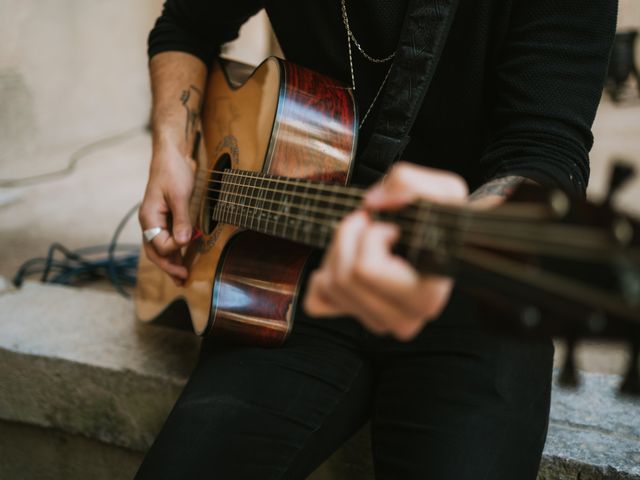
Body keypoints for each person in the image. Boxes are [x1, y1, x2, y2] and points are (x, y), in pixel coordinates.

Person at [135, 1, 617, 478]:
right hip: (287, 271)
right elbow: (184, 24)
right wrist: (172, 147)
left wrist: (478, 228)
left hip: (476, 287)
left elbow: (546, 150)